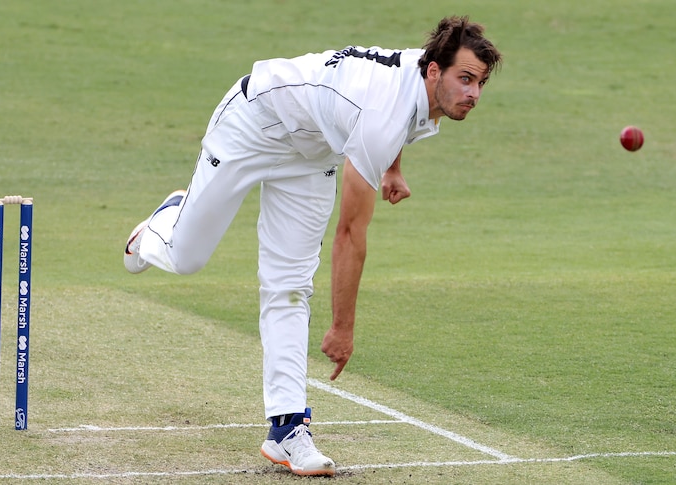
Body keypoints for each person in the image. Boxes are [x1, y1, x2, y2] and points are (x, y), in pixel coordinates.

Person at [123, 16, 501, 477]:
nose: (474, 94)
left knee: (289, 286)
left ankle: (286, 431)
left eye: (480, 83)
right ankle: (162, 224)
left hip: (313, 153)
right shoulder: (387, 111)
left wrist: (391, 168)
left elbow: (392, 122)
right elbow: (349, 234)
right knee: (186, 258)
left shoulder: (419, 82)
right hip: (255, 122)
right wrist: (342, 327)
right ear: (434, 72)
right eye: (465, 79)